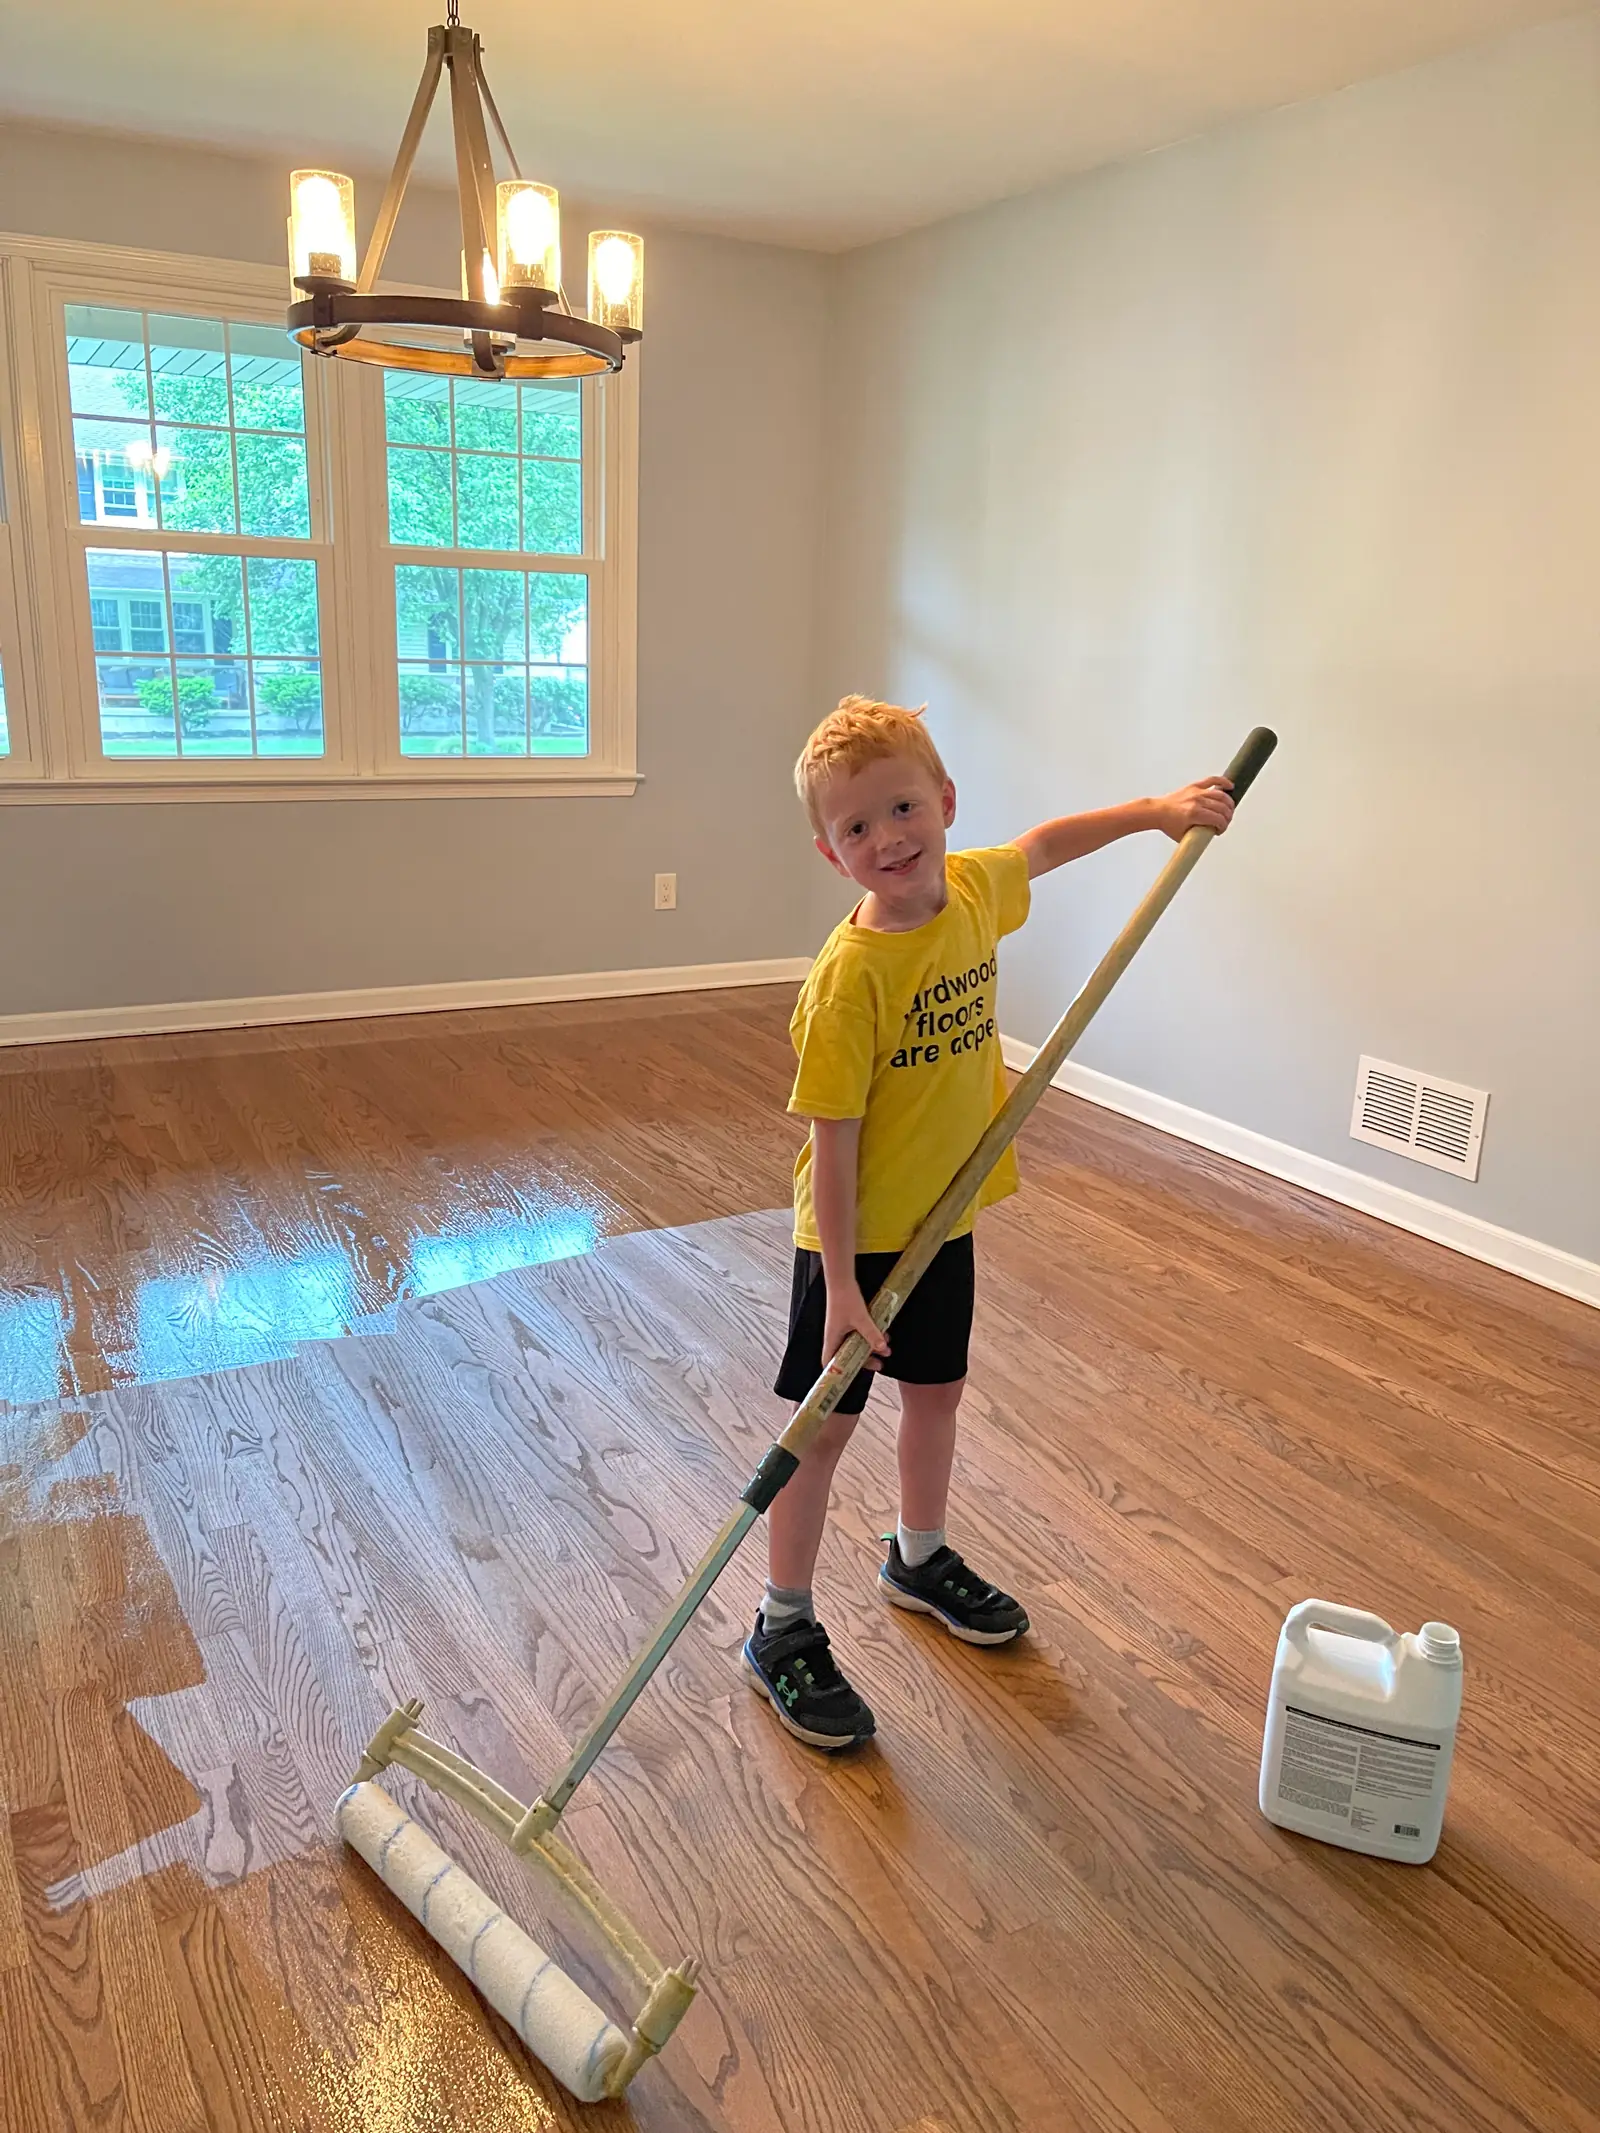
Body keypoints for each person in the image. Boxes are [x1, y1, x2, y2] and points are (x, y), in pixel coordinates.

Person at [743, 696, 1235, 1749]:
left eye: (903, 807)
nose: (889, 838)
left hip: (946, 1214)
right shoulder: (847, 983)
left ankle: (918, 1557)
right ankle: (780, 1626)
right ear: (831, 856)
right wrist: (837, 1288)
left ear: (944, 802)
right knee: (821, 1435)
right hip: (857, 1239)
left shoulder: (969, 891)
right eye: (857, 828)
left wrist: (1156, 811)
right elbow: (830, 1145)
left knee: (938, 1393)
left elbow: (1041, 846)